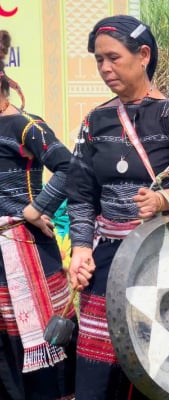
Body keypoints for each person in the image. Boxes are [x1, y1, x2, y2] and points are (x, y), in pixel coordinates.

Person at [65, 16, 169, 399]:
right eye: (98, 60)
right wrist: (82, 247)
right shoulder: (95, 122)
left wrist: (164, 199)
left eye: (113, 58)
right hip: (107, 260)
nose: (105, 68)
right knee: (103, 362)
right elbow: (81, 194)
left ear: (143, 56)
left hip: (166, 255)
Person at [0, 29, 77, 400]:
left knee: (37, 345)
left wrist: (37, 207)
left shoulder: (26, 125)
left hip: (25, 248)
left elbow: (70, 168)